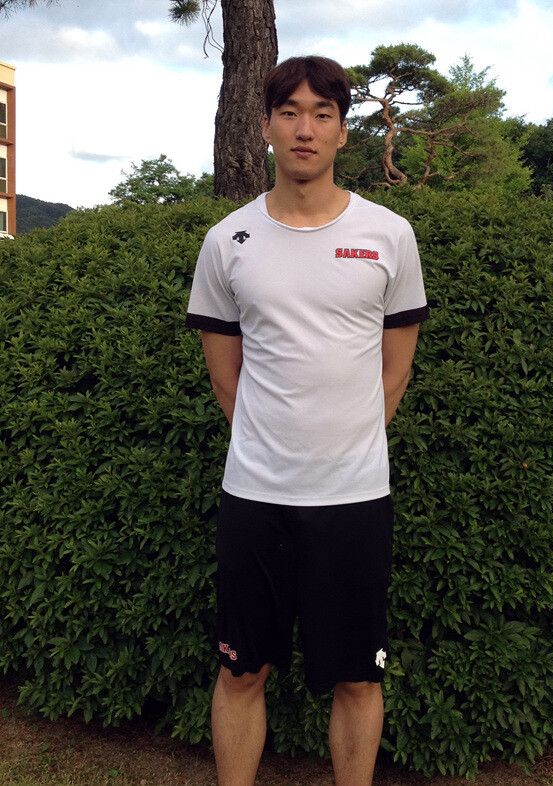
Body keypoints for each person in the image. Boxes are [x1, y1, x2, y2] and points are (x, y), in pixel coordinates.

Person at [186, 55, 429, 786]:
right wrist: (272, 446)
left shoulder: (389, 234)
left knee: (357, 677)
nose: (305, 129)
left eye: (322, 114)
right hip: (254, 496)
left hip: (354, 499)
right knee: (240, 673)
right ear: (265, 125)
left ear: (343, 132)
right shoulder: (227, 240)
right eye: (289, 112)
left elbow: (395, 371)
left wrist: (346, 448)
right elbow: (224, 377)